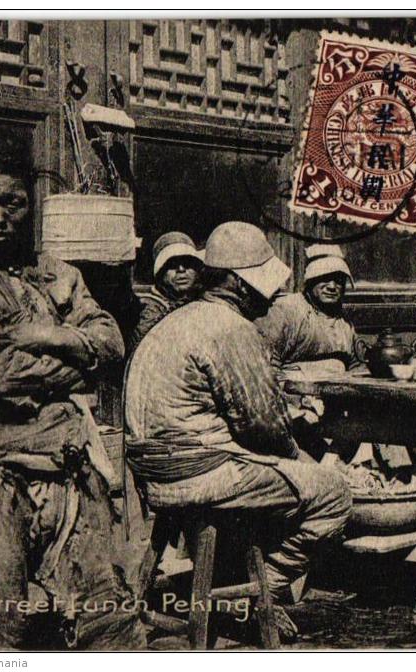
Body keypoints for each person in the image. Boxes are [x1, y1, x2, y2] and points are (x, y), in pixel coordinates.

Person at [0, 146, 146, 649]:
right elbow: (0, 377)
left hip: (70, 466)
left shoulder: (55, 271)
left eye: (12, 203)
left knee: (108, 625)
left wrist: (50, 337)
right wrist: (77, 368)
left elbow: (111, 341)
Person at [124, 222, 352, 638]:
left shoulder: (175, 320)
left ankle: (216, 588)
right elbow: (265, 428)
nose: (268, 295)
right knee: (333, 494)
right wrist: (301, 459)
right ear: (236, 283)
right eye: (260, 284)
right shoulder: (231, 328)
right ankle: (247, 599)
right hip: (199, 476)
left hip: (151, 473)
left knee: (285, 477)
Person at [256, 244, 359, 372]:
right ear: (311, 281)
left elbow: (355, 366)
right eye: (324, 278)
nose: (332, 286)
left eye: (338, 280)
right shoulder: (287, 310)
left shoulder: (344, 321)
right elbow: (267, 367)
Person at [129, 231, 204, 350]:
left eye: (187, 263)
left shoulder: (201, 301)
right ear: (160, 272)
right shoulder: (150, 312)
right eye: (172, 264)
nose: (181, 269)